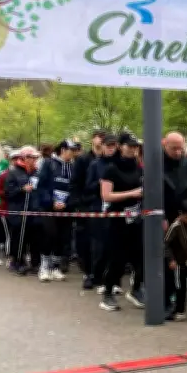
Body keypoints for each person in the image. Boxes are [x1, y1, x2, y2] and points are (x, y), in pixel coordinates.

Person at [99, 133, 144, 312]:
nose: (133, 149)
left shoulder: (139, 167)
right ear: (120, 146)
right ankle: (108, 293)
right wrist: (132, 193)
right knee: (117, 259)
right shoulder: (111, 168)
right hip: (117, 218)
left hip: (136, 217)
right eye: (129, 146)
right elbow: (106, 195)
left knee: (140, 256)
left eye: (135, 146)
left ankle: (136, 289)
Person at [36, 140, 77, 282]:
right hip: (49, 207)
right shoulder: (48, 163)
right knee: (50, 234)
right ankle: (44, 267)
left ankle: (55, 267)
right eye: (71, 149)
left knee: (63, 237)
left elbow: (74, 188)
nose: (73, 152)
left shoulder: (73, 167)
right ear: (63, 150)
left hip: (65, 208)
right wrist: (51, 201)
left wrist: (67, 203)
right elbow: (41, 185)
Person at [70, 130, 105, 288]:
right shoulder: (83, 159)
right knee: (85, 242)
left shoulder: (109, 160)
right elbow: (75, 183)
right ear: (93, 140)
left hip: (104, 205)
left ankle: (100, 273)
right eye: (99, 140)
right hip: (86, 205)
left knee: (101, 242)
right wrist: (79, 202)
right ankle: (88, 273)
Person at [87, 134, 119, 293]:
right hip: (99, 207)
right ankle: (96, 276)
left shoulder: (119, 164)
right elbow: (88, 185)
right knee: (99, 245)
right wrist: (100, 184)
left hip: (116, 207)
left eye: (114, 145)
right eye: (108, 145)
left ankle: (113, 279)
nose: (111, 148)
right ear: (103, 147)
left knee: (114, 245)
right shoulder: (95, 164)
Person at [5, 146, 43, 275]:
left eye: (36, 158)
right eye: (32, 158)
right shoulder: (14, 172)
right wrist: (21, 189)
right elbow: (8, 193)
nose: (35, 160)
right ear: (25, 158)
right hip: (19, 210)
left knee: (35, 237)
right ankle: (17, 261)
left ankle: (35, 263)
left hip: (34, 210)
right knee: (19, 237)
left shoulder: (37, 172)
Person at [163, 132, 187, 230]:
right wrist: (161, 217)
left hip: (184, 216)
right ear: (165, 145)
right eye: (174, 148)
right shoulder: (157, 163)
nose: (178, 152)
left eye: (180, 148)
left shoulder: (186, 163)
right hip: (165, 216)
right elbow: (152, 194)